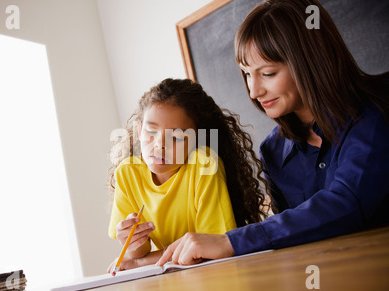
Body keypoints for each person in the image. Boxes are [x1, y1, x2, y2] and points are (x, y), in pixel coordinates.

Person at [157, 0, 389, 266]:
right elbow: (291, 236)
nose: (254, 91)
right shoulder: (273, 151)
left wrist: (232, 241)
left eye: (267, 73)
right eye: (246, 74)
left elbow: (347, 204)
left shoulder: (375, 113)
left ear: (310, 60)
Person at [107, 78, 269, 272]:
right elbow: (139, 251)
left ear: (197, 140)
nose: (159, 144)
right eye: (151, 131)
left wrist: (138, 263)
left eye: (176, 137)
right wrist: (134, 244)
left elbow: (209, 249)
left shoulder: (204, 165)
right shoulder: (128, 173)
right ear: (140, 129)